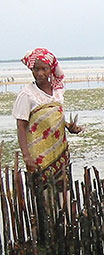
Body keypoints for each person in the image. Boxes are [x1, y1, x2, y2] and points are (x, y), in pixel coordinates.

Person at [12, 48, 81, 184]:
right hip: (38, 156)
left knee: (63, 194)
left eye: (44, 69)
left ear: (51, 69)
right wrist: (27, 157)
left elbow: (53, 118)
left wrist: (69, 127)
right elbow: (21, 127)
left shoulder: (57, 92)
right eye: (35, 69)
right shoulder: (27, 95)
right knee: (43, 196)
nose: (40, 73)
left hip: (59, 153)